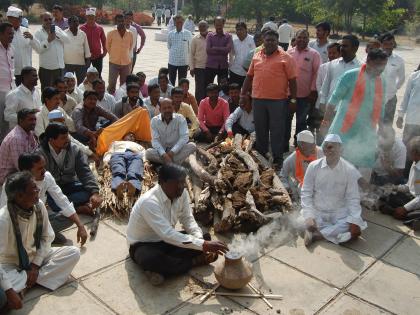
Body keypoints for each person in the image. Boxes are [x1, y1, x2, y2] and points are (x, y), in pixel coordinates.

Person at [127, 164, 228, 285]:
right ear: (162, 182)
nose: (181, 186)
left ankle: (164, 269)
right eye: (177, 183)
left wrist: (200, 240)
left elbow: (187, 219)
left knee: (205, 236)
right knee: (150, 258)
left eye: (183, 182)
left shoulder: (182, 193)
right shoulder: (149, 202)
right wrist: (203, 245)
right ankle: (193, 262)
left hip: (166, 241)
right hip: (143, 245)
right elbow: (167, 234)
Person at [0, 172, 80, 309]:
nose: (38, 190)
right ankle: (31, 280)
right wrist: (9, 291)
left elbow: (47, 236)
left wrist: (35, 265)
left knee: (73, 253)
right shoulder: (3, 219)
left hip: (35, 258)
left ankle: (26, 284)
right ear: (20, 196)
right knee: (4, 288)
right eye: (34, 189)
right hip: (11, 265)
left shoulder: (39, 206)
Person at [320, 49, 388, 182]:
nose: (381, 69)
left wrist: (381, 130)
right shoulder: (351, 75)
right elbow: (333, 101)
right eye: (378, 65)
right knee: (335, 161)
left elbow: (381, 107)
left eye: (384, 65)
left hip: (367, 131)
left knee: (365, 164)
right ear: (368, 61)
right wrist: (326, 121)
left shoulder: (382, 81)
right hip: (344, 128)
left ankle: (362, 198)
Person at [0, 153, 88, 245]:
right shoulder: (12, 185)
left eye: (44, 167)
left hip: (39, 220)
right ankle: (37, 238)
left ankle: (42, 236)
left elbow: (62, 200)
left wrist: (80, 225)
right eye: (39, 169)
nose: (44, 171)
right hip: (21, 226)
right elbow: (6, 213)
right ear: (26, 171)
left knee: (69, 219)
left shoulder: (46, 177)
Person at [241, 29, 297, 170]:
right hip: (258, 99)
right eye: (268, 40)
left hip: (278, 101)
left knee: (277, 130)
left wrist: (293, 100)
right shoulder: (257, 56)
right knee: (260, 129)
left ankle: (278, 158)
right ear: (263, 41)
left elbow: (293, 80)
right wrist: (243, 94)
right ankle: (261, 156)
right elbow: (249, 77)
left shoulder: (286, 57)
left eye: (273, 40)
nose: (270, 42)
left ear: (278, 42)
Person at [301, 134, 366, 246]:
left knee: (354, 225)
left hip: (338, 212)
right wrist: (309, 216)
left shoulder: (349, 170)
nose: (329, 150)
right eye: (326, 147)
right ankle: (325, 232)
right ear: (323, 149)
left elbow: (353, 197)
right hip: (318, 210)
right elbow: (306, 192)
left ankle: (317, 235)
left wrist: (354, 221)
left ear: (341, 150)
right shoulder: (313, 166)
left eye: (333, 147)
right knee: (300, 219)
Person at [38, 123, 102, 215]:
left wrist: (95, 192)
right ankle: (78, 209)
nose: (67, 140)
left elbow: (84, 172)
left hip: (69, 185)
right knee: (53, 202)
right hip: (52, 190)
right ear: (51, 140)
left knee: (89, 191)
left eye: (67, 136)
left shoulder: (74, 149)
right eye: (63, 138)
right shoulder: (40, 154)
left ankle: (68, 207)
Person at [285, 29, 321, 147]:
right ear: (295, 38)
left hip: (305, 95)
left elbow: (317, 73)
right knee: (286, 120)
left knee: (301, 122)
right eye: (299, 37)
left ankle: (298, 145)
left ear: (308, 39)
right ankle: (285, 143)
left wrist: (313, 91)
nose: (302, 40)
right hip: (288, 94)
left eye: (305, 38)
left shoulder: (314, 54)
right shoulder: (288, 52)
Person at [379, 136, 420, 230]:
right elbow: (410, 187)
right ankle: (408, 218)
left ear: (415, 153)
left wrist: (405, 208)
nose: (408, 154)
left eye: (409, 151)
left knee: (411, 213)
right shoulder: (415, 163)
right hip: (414, 198)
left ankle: (407, 217)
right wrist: (394, 187)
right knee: (391, 197)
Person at [146, 98, 196, 165]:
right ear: (160, 110)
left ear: (173, 108)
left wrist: (172, 152)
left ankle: (168, 163)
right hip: (162, 152)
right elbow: (155, 141)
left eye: (169, 107)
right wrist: (164, 155)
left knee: (192, 146)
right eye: (164, 108)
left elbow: (184, 137)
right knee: (148, 153)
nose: (167, 110)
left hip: (176, 151)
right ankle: (174, 163)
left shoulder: (180, 118)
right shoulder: (154, 121)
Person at [319, 35, 361, 111]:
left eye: (345, 46)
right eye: (341, 46)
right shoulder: (332, 64)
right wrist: (322, 102)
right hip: (330, 109)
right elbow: (326, 85)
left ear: (355, 48)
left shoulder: (360, 68)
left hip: (347, 112)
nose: (341, 48)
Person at [280, 130, 324, 199]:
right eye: (306, 148)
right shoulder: (292, 158)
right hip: (303, 188)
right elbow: (283, 175)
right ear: (300, 147)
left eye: (312, 146)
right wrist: (286, 187)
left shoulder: (322, 153)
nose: (311, 149)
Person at [312, 42, 341, 144]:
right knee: (320, 130)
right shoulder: (323, 67)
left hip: (337, 107)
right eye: (330, 53)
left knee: (333, 132)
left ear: (340, 53)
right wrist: (324, 100)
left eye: (334, 53)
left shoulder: (342, 67)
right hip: (322, 104)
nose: (331, 55)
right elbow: (319, 85)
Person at [0, 108, 38, 185]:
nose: (34, 122)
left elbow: (36, 152)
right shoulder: (16, 138)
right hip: (9, 177)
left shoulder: (29, 132)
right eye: (30, 120)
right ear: (21, 121)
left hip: (23, 170)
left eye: (34, 119)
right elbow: (20, 166)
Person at [34, 12, 69, 91]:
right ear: (42, 20)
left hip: (59, 67)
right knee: (46, 91)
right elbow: (38, 49)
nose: (48, 21)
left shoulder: (57, 29)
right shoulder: (38, 33)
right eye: (46, 20)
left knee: (59, 91)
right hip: (46, 69)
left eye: (50, 19)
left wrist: (56, 33)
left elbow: (67, 40)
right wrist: (48, 40)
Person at [6, 6, 40, 86]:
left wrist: (32, 38)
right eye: (18, 18)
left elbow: (38, 49)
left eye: (21, 18)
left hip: (26, 72)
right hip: (12, 73)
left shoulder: (25, 30)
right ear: (10, 19)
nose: (20, 20)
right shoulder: (5, 33)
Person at [104, 132, 145, 198]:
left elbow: (144, 153)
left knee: (134, 171)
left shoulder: (138, 145)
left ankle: (133, 187)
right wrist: (106, 161)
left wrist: (145, 161)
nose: (131, 136)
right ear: (123, 137)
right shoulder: (115, 142)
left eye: (133, 136)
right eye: (129, 135)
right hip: (118, 154)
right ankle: (118, 186)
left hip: (134, 155)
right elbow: (110, 152)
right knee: (118, 170)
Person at [397, 67, 420, 176]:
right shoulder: (414, 76)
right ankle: (405, 175)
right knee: (408, 149)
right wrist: (400, 115)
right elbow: (406, 97)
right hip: (412, 120)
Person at [380, 32, 405, 125]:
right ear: (381, 44)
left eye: (391, 44)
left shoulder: (399, 60)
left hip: (390, 98)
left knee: (387, 126)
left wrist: (394, 88)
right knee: (370, 124)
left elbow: (402, 78)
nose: (388, 47)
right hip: (373, 97)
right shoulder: (372, 57)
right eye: (386, 44)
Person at [106, 14, 133, 94]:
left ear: (125, 21)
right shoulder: (111, 33)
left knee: (124, 86)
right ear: (116, 22)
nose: (121, 23)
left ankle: (121, 102)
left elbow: (131, 46)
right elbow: (108, 47)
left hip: (126, 63)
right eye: (119, 21)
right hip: (114, 62)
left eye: (122, 21)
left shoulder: (130, 34)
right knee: (111, 84)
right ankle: (111, 101)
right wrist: (114, 55)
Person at [205, 17, 233, 86]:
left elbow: (228, 50)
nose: (219, 27)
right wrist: (222, 49)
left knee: (223, 88)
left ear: (223, 24)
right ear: (214, 25)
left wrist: (214, 48)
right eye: (217, 25)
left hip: (223, 66)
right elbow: (208, 50)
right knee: (208, 87)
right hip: (210, 66)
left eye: (220, 25)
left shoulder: (228, 36)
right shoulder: (210, 35)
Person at [80, 7, 107, 77]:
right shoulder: (81, 28)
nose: (90, 18)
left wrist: (105, 52)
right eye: (89, 16)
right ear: (86, 17)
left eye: (92, 16)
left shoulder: (99, 28)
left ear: (95, 17)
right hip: (85, 56)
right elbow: (79, 42)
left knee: (98, 75)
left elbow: (104, 41)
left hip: (98, 56)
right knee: (84, 75)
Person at [64, 16, 91, 84]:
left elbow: (87, 49)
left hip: (81, 64)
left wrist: (87, 63)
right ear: (69, 23)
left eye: (77, 21)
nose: (76, 23)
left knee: (81, 83)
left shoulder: (82, 34)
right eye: (74, 21)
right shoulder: (64, 33)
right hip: (67, 63)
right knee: (67, 83)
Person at [167, 15, 192, 86]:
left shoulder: (188, 34)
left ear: (183, 22)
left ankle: (181, 96)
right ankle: (172, 96)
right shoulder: (170, 34)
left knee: (182, 83)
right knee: (171, 82)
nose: (179, 24)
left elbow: (190, 48)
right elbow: (169, 46)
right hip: (172, 62)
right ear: (174, 23)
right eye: (177, 22)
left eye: (180, 22)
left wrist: (190, 62)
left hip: (183, 62)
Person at [0, 22, 15, 142]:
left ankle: (5, 145)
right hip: (0, 91)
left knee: (8, 121)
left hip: (11, 90)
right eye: (9, 33)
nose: (12, 36)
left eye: (13, 33)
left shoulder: (11, 48)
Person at [229, 22, 255, 86]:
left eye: (241, 29)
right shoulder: (234, 41)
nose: (239, 31)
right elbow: (231, 55)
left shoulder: (253, 40)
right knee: (235, 93)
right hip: (235, 71)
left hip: (248, 73)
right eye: (237, 30)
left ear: (246, 30)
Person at [190, 20, 209, 103]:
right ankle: (198, 107)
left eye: (204, 26)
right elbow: (191, 54)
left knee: (208, 87)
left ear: (207, 27)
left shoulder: (211, 37)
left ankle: (207, 105)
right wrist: (191, 67)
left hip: (210, 67)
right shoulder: (195, 39)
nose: (202, 28)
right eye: (200, 26)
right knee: (199, 88)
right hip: (198, 67)